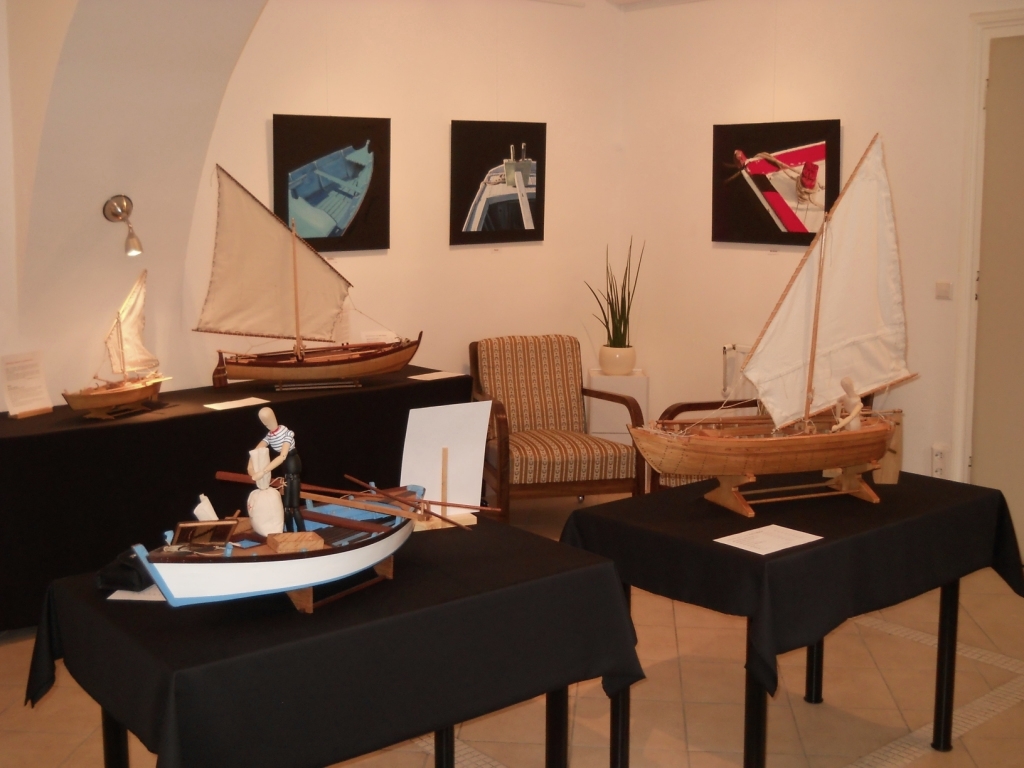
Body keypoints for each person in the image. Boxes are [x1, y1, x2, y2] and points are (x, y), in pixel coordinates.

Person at [248, 407, 304, 531]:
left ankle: (302, 532)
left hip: (292, 463)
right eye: (264, 422)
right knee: (286, 507)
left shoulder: (287, 433)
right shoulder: (270, 435)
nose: (266, 424)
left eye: (267, 420)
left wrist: (263, 471)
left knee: (295, 507)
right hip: (286, 472)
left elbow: (282, 456)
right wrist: (250, 464)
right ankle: (289, 532)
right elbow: (257, 449)